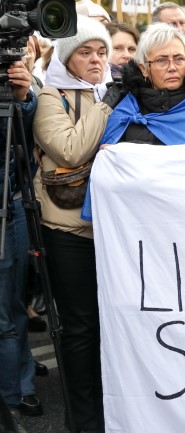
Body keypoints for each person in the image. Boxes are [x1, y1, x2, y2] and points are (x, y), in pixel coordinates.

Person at [32, 16, 115, 432]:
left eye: (102, 51)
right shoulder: (52, 96)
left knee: (112, 325)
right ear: (67, 58)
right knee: (80, 328)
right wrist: (105, 103)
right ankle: (83, 420)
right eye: (85, 52)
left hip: (115, 230)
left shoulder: (116, 94)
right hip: (69, 231)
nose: (96, 59)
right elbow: (70, 149)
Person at [97, 23, 185, 148]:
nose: (172, 67)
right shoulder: (125, 108)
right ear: (144, 69)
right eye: (161, 60)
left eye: (179, 59)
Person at [0, 51, 40, 433]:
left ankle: (17, 390)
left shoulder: (13, 81)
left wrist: (24, 97)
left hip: (8, 207)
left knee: (9, 312)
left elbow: (27, 138)